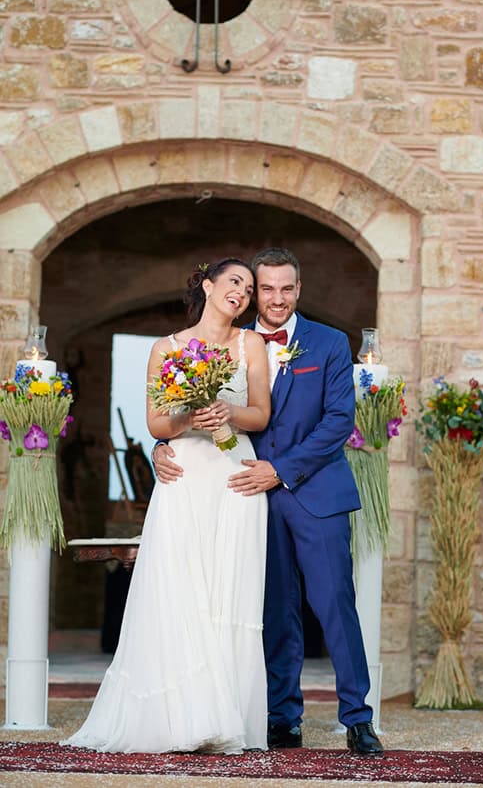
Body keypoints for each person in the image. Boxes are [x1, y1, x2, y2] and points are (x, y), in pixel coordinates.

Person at [154, 248, 383, 756]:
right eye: (267, 289)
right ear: (255, 291)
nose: (276, 298)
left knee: (335, 607)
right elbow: (186, 410)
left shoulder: (328, 343)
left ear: (299, 290)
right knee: (273, 613)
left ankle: (358, 718)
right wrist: (161, 445)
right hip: (247, 499)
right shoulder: (235, 342)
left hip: (313, 492)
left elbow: (338, 422)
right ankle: (283, 718)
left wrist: (281, 470)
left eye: (286, 288)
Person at [64, 259, 271, 754]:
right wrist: (188, 413)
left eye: (248, 288)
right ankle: (179, 718)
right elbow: (157, 424)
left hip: (235, 474)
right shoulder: (167, 348)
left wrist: (227, 412)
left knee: (230, 588)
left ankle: (228, 719)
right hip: (184, 476)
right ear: (208, 286)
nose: (241, 293)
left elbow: (260, 414)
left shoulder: (252, 345)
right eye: (233, 282)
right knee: (180, 588)